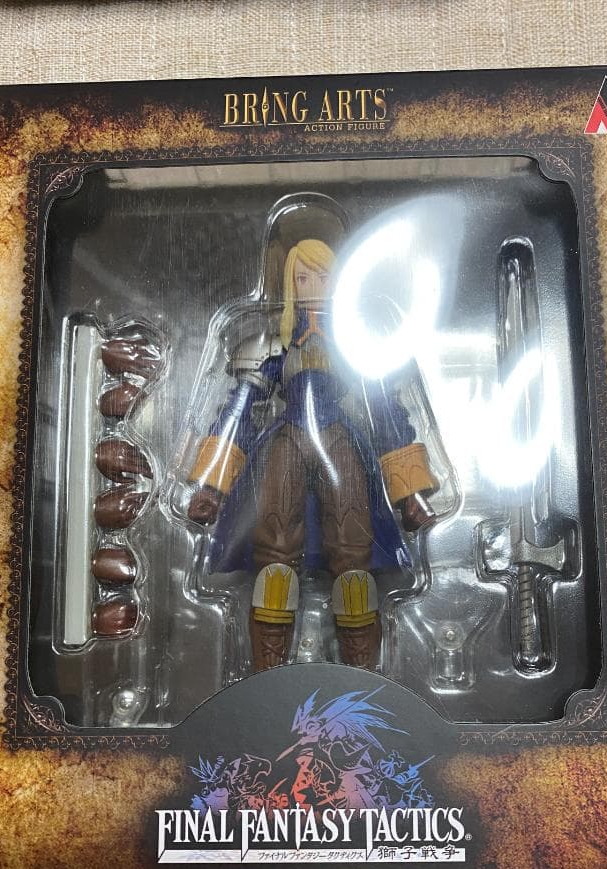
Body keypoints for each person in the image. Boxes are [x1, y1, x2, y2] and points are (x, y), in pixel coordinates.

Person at [187, 236, 437, 671]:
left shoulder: (355, 343)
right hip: (286, 441)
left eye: (323, 276)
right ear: (291, 284)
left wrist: (410, 492)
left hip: (339, 441)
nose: (314, 286)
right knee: (274, 563)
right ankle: (267, 677)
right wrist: (212, 483)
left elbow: (386, 414)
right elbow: (240, 410)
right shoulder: (273, 341)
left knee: (354, 565)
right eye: (304, 278)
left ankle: (363, 680)